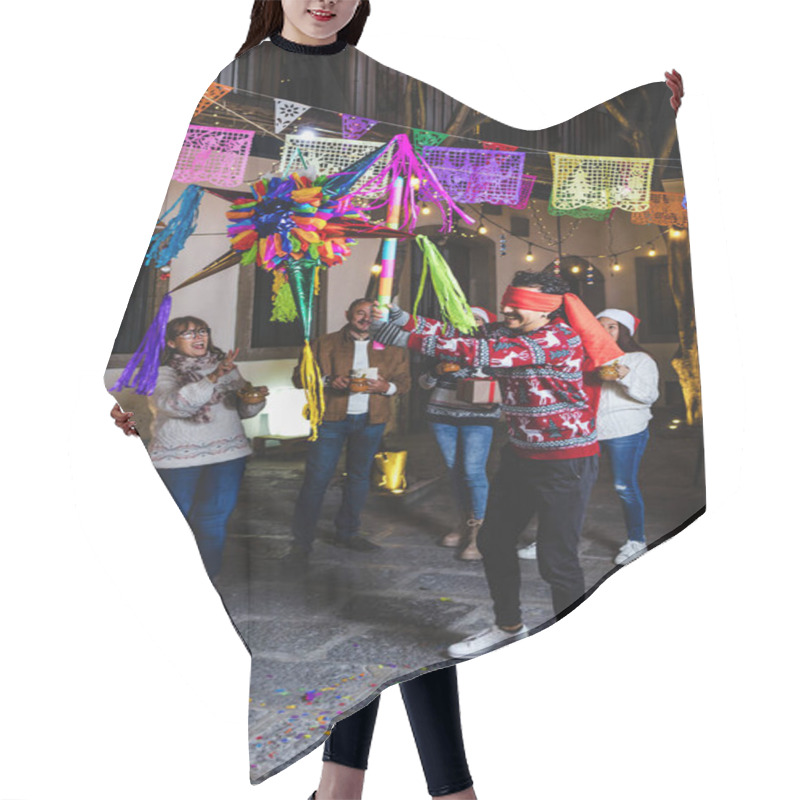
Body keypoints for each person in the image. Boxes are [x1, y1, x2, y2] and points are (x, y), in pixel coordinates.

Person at [371, 269, 624, 659]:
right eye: (508, 300)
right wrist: (401, 318)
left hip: (565, 460)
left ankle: (578, 647)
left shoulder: (557, 338)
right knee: (493, 540)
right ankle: (508, 627)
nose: (507, 308)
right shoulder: (507, 331)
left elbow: (479, 355)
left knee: (557, 560)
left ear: (545, 309)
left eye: (517, 303)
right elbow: (461, 335)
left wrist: (405, 337)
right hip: (521, 455)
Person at [287, 297, 411, 562]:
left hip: (371, 420)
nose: (366, 318)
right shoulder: (323, 343)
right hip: (329, 419)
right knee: (317, 479)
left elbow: (404, 383)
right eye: (359, 313)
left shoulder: (392, 346)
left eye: (371, 314)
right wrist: (329, 380)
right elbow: (299, 378)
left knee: (358, 477)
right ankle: (301, 542)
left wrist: (385, 388)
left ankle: (348, 533)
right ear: (348, 314)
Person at [148, 316, 268, 579]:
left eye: (202, 331)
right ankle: (166, 578)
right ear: (170, 342)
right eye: (188, 334)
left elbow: (242, 410)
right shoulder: (160, 371)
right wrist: (212, 378)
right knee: (173, 522)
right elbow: (174, 405)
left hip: (227, 455)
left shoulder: (224, 366)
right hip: (177, 460)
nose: (198, 337)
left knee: (213, 521)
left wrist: (254, 398)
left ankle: (206, 580)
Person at [415, 306, 501, 560]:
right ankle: (462, 523)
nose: (470, 323)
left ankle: (479, 533)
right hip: (442, 414)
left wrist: (497, 402)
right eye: (464, 318)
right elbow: (423, 383)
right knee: (454, 470)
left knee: (473, 470)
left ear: (485, 324)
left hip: (480, 415)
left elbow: (511, 383)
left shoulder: (494, 350)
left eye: (475, 319)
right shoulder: (443, 346)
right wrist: (437, 372)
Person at [595, 309, 660, 565]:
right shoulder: (591, 357)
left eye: (612, 326)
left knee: (623, 485)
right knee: (572, 486)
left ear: (624, 331)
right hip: (591, 429)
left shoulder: (640, 359)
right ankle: (558, 538)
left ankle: (636, 540)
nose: (605, 330)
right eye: (600, 326)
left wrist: (626, 374)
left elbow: (650, 396)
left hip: (626, 430)